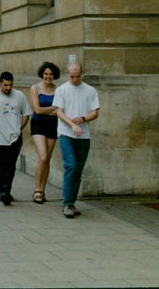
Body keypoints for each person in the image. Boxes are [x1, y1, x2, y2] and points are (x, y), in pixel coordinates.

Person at [54, 61, 100, 218]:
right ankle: (67, 203)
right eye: (72, 76)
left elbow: (95, 112)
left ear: (82, 74)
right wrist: (71, 124)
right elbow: (59, 111)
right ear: (67, 74)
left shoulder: (90, 90)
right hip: (66, 133)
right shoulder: (61, 90)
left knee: (78, 170)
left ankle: (72, 202)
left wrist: (82, 118)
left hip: (83, 134)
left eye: (78, 76)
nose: (75, 79)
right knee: (71, 166)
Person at [0, 71, 32, 205]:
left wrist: (20, 128)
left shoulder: (20, 96)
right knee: (2, 165)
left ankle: (7, 189)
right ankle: (3, 190)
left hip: (15, 137)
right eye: (5, 85)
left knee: (11, 166)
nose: (8, 88)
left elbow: (26, 114)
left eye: (10, 85)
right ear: (0, 83)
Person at [30, 62, 61, 204]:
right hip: (38, 124)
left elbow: (60, 111)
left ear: (54, 76)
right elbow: (37, 110)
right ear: (42, 74)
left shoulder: (59, 90)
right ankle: (37, 189)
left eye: (51, 74)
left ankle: (42, 190)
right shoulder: (35, 88)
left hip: (52, 125)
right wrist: (52, 109)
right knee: (42, 156)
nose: (48, 76)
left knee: (47, 158)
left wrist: (52, 110)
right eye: (46, 74)